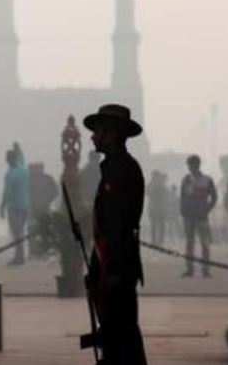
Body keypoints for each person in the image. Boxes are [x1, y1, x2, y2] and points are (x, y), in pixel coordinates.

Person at [83, 103, 148, 365]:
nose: (92, 136)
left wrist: (111, 271)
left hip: (117, 265)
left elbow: (118, 225)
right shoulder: (112, 167)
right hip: (110, 262)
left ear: (111, 134)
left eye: (97, 130)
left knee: (122, 335)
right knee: (115, 335)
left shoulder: (123, 169)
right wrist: (96, 264)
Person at [179, 154, 218, 277]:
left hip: (201, 216)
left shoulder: (207, 180)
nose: (190, 168)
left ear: (195, 165)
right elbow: (182, 198)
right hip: (190, 216)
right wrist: (183, 211)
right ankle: (190, 269)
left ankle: (205, 270)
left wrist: (207, 209)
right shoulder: (186, 180)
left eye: (191, 165)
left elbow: (214, 197)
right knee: (190, 243)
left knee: (204, 244)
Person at [0, 142, 30, 266]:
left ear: (8, 160)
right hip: (26, 206)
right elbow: (22, 160)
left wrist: (2, 207)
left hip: (15, 207)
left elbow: (7, 193)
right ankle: (20, 256)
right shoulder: (23, 169)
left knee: (17, 233)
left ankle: (19, 257)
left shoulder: (10, 175)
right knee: (20, 232)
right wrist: (19, 149)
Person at [28, 162, 58, 258]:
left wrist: (48, 200)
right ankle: (34, 251)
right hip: (33, 209)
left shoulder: (48, 179)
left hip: (44, 208)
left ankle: (44, 250)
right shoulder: (29, 179)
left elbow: (55, 191)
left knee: (44, 229)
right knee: (32, 229)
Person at [146, 171, 169, 246]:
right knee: (154, 224)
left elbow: (165, 195)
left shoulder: (160, 185)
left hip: (159, 207)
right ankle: (155, 240)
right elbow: (148, 193)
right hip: (154, 207)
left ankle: (159, 240)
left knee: (160, 224)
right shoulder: (152, 185)